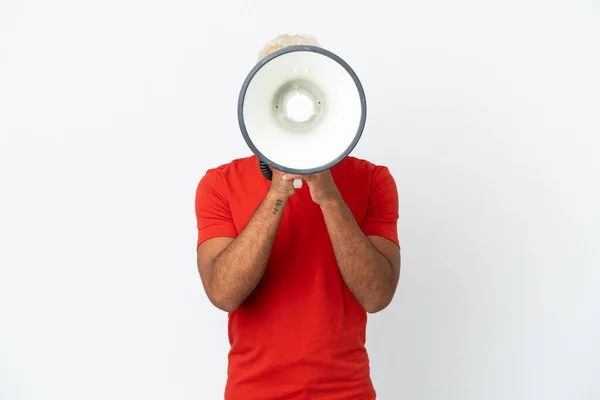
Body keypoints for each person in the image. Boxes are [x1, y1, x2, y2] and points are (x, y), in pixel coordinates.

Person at [194, 34, 401, 400]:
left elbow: (377, 295)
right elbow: (224, 293)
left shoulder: (373, 180)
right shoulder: (219, 184)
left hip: (346, 392)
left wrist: (328, 196)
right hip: (253, 391)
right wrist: (277, 193)